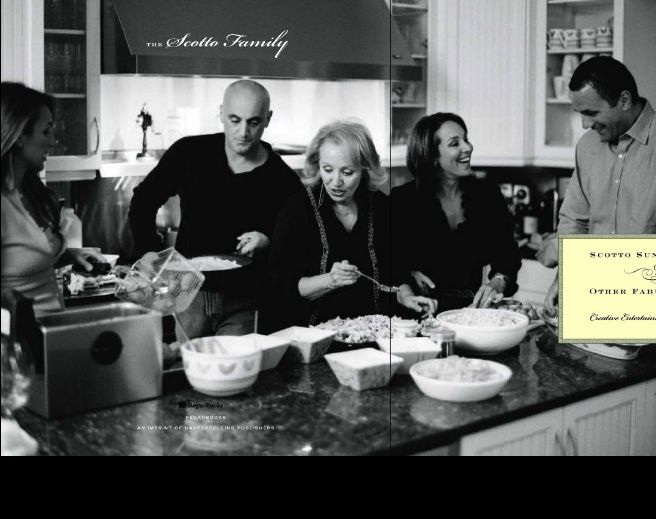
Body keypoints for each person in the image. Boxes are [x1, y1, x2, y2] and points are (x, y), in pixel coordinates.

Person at [128, 79, 302, 337]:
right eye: (235, 120)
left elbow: (296, 248)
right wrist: (148, 249)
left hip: (245, 300)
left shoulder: (283, 180)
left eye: (254, 122)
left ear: (268, 119)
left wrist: (268, 241)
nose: (243, 132)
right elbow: (143, 200)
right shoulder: (189, 153)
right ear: (221, 114)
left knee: (236, 363)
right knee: (188, 360)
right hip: (187, 293)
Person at [537, 57, 656, 315]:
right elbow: (575, 221)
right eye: (580, 113)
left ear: (624, 100)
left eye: (592, 113)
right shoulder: (587, 147)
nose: (585, 124)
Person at [270, 120, 435, 327]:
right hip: (314, 333)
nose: (336, 181)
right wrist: (330, 280)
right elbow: (283, 286)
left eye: (347, 172)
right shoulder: (297, 210)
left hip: (375, 330)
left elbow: (397, 272)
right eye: (327, 169)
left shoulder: (382, 206)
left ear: (365, 169)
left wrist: (407, 296)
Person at [391, 113, 521, 312]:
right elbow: (388, 261)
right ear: (432, 156)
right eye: (455, 143)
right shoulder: (402, 200)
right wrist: (406, 278)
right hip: (418, 313)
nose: (468, 147)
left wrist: (499, 280)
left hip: (469, 313)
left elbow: (507, 255)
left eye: (466, 139)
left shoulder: (487, 195)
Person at [1, 82, 101, 315]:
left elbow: (21, 258)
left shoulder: (30, 194)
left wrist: (68, 256)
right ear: (19, 136)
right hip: (20, 335)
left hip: (51, 331)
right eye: (46, 131)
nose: (53, 141)